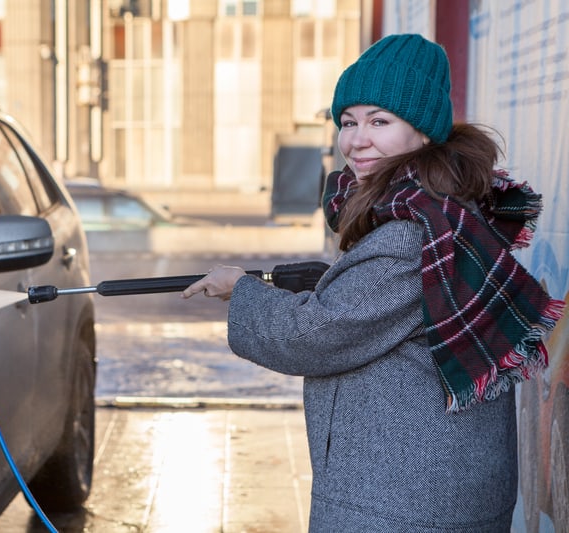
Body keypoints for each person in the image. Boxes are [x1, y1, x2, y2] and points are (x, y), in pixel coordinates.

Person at [182, 33, 565, 532]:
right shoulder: (437, 209)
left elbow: (316, 335)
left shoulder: (412, 233)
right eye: (348, 121)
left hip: (401, 501)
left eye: (379, 121)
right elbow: (377, 306)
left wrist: (242, 290)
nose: (356, 139)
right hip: (431, 487)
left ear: (423, 132)